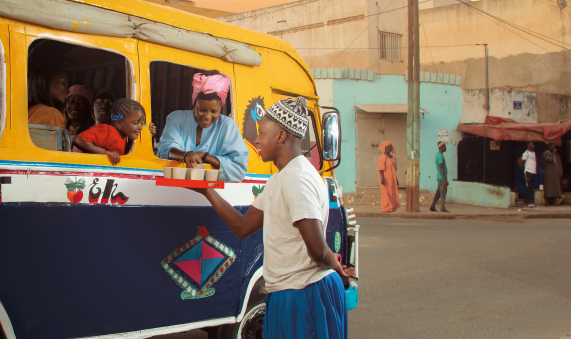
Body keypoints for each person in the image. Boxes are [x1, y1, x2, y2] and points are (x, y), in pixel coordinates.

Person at [187, 97, 354, 339]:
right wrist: (207, 191)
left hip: (306, 293)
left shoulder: (298, 178)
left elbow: (317, 250)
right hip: (286, 293)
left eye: (262, 133)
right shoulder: (279, 180)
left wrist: (336, 266)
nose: (256, 140)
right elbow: (243, 227)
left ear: (281, 136)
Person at [157, 71, 249, 182]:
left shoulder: (227, 126)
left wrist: (205, 156)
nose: (207, 117)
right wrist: (186, 155)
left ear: (221, 108)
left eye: (214, 111)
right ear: (194, 104)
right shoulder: (176, 119)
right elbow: (165, 150)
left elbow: (239, 169)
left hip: (213, 194)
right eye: (202, 110)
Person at [72, 99, 145, 165]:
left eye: (141, 123)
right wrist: (104, 152)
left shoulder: (125, 138)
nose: (140, 127)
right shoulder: (106, 130)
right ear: (119, 123)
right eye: (135, 123)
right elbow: (78, 140)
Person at [378, 141, 399, 213]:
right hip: (386, 177)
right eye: (387, 147)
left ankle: (392, 207)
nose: (389, 148)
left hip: (392, 178)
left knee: (392, 192)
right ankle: (385, 207)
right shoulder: (382, 157)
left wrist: (396, 179)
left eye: (390, 147)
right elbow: (380, 168)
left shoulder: (393, 158)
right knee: (386, 192)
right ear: (384, 148)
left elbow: (394, 170)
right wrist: (382, 178)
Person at [430, 141, 449, 213]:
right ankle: (442, 208)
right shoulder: (440, 156)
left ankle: (432, 206)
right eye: (444, 146)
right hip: (441, 178)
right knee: (443, 193)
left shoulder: (438, 155)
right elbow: (441, 168)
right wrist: (445, 179)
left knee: (438, 193)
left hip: (440, 177)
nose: (445, 147)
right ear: (442, 147)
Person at [521, 142, 537, 208]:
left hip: (533, 172)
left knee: (531, 187)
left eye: (533, 144)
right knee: (528, 186)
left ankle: (529, 200)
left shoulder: (533, 153)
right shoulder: (526, 153)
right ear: (528, 145)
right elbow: (522, 162)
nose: (533, 145)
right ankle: (527, 202)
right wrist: (525, 172)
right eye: (531, 144)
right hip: (528, 172)